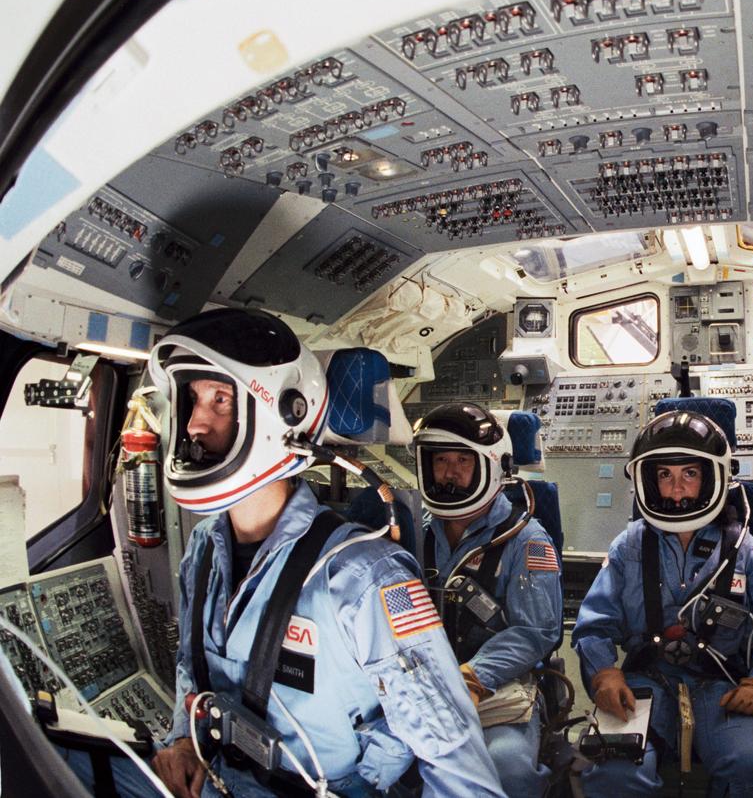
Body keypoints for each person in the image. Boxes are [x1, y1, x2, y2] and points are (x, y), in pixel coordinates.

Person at [62, 308, 504, 797]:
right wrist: (185, 739)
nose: (193, 425)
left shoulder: (364, 576)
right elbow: (193, 669)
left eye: (221, 399)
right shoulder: (204, 551)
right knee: (51, 755)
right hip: (216, 773)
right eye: (191, 399)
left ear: (284, 414)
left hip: (317, 787)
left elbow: (452, 754)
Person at [572, 410, 753, 798]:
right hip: (645, 681)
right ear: (649, 481)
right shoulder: (628, 547)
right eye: (665, 476)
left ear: (710, 478)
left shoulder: (744, 550)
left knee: (752, 769)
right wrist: (604, 673)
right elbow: (595, 625)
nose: (676, 490)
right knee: (613, 774)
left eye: (689, 474)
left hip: (720, 685)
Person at [413, 402, 562, 797]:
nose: (449, 472)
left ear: (492, 464)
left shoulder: (526, 539)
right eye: (440, 460)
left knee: (507, 769)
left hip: (499, 688)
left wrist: (475, 676)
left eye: (462, 460)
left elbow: (536, 632)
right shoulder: (415, 534)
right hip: (422, 685)